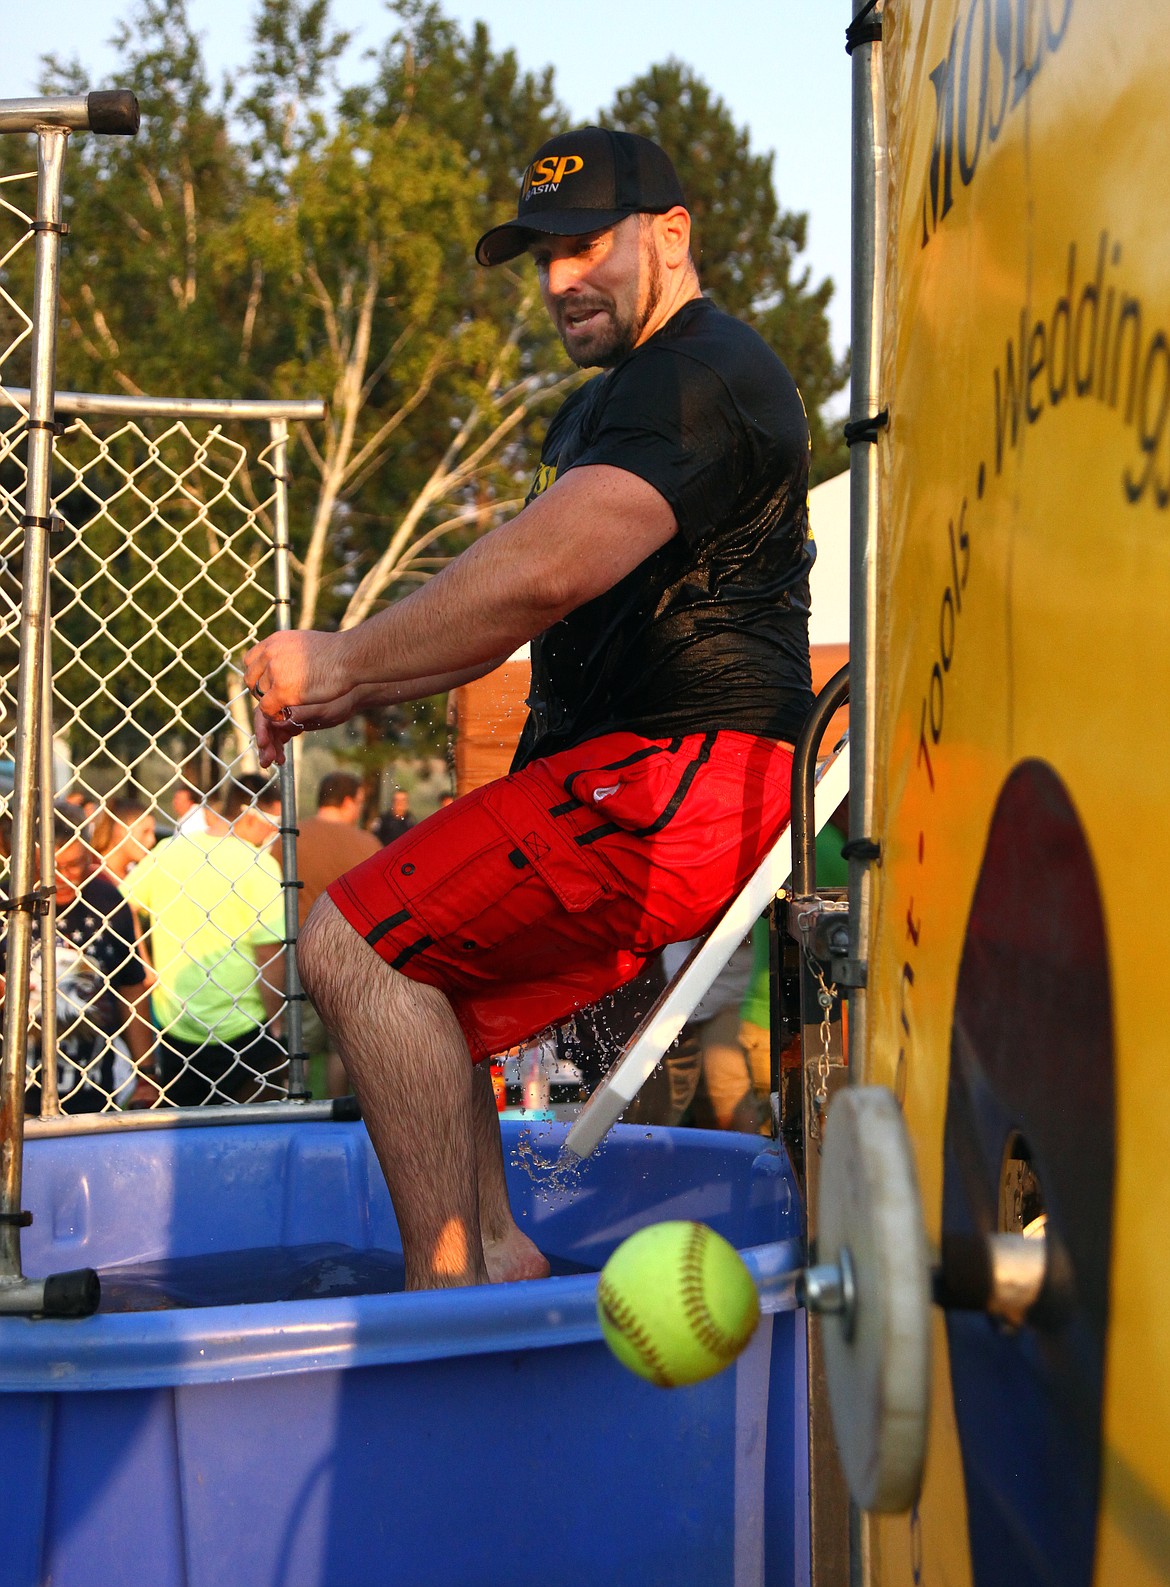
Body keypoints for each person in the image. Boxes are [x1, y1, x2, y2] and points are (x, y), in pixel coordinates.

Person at [244, 126, 815, 1289]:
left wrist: (347, 660)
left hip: (683, 774)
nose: (559, 283)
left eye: (587, 246)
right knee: (418, 979)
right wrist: (348, 690)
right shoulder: (610, 406)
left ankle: (439, 1296)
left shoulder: (701, 375)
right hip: (649, 775)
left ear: (670, 235)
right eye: (543, 259)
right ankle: (494, 1256)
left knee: (347, 943)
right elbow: (504, 624)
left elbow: (545, 568)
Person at [123, 774, 286, 1105]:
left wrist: (143, 960)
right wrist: (279, 1024)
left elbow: (121, 905)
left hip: (175, 1021)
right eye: (275, 821)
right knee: (251, 1132)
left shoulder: (169, 851)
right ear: (251, 814)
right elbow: (269, 955)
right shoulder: (261, 865)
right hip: (245, 1024)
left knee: (185, 1134)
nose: (276, 832)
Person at [1, 803, 156, 1112]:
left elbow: (131, 990)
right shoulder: (8, 904)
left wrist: (147, 1074)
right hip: (15, 1091)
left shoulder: (108, 903)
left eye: (77, 864)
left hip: (94, 1090)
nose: (67, 879)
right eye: (53, 868)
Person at [296, 771, 381, 1094]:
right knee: (341, 1046)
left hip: (297, 947)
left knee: (300, 1042)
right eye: (358, 802)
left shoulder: (287, 838)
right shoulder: (366, 844)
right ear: (347, 801)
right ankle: (337, 1107)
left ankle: (294, 1103)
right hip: (350, 953)